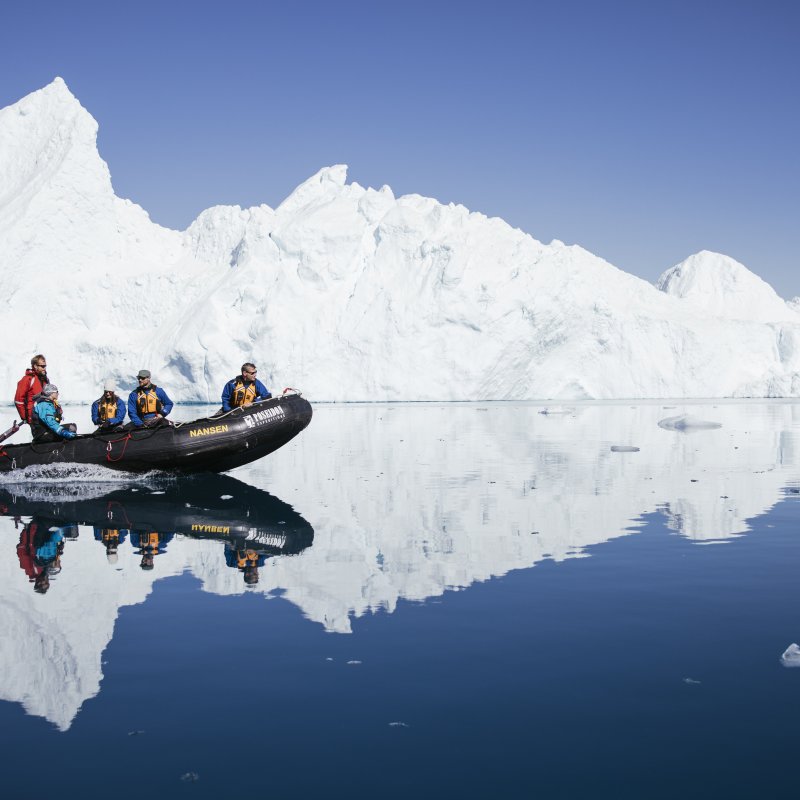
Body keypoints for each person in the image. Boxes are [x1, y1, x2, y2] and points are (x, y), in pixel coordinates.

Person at [14, 354, 49, 423]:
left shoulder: (45, 380)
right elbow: (18, 400)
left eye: (45, 366)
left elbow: (49, 396)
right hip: (34, 417)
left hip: (45, 415)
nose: (44, 368)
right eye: (42, 366)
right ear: (35, 366)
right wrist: (24, 417)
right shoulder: (27, 379)